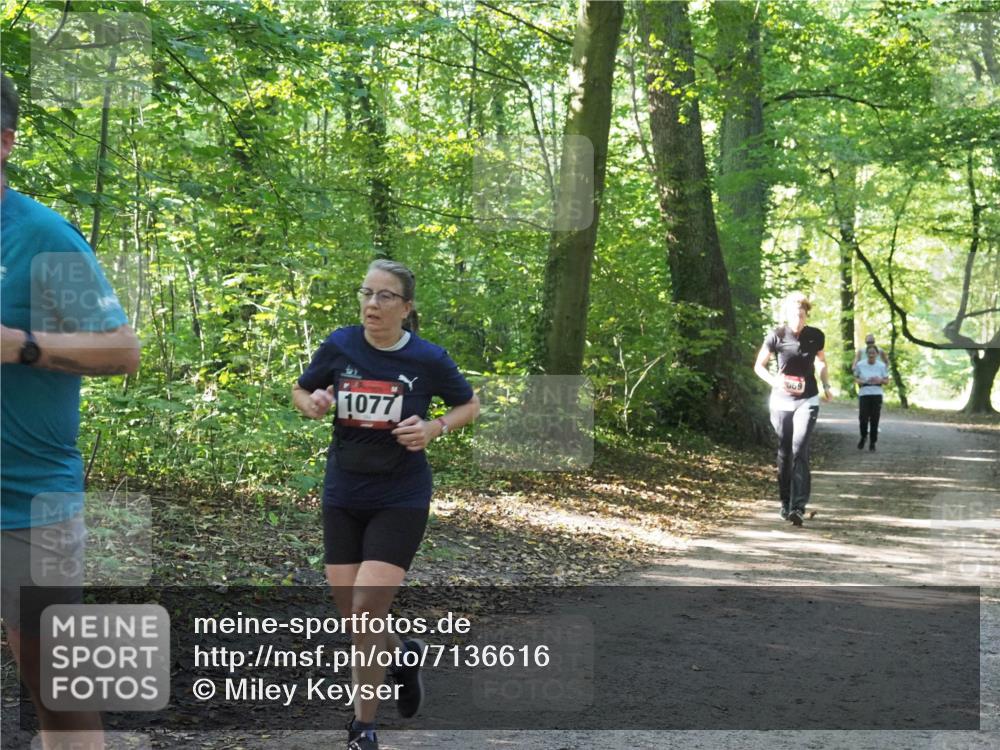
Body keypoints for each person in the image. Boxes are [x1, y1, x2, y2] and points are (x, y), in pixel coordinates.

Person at [1, 72, 140, 750]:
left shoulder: (44, 239)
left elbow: (122, 352)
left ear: (4, 142)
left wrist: (22, 346)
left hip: (30, 500)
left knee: (55, 684)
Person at [292, 259, 479, 750]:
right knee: (354, 619)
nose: (372, 304)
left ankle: (363, 728)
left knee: (366, 610)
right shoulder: (340, 344)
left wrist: (434, 428)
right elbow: (302, 387)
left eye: (385, 296)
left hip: (401, 496)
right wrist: (310, 403)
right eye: (366, 293)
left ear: (407, 307)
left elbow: (469, 405)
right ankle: (403, 657)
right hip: (343, 493)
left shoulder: (428, 358)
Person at [753, 292, 832, 527]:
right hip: (780, 400)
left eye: (801, 314)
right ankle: (785, 502)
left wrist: (826, 384)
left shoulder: (815, 336)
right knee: (785, 452)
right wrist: (774, 381)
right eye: (794, 315)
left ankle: (798, 507)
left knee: (800, 449)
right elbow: (759, 365)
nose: (798, 319)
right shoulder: (776, 335)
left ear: (807, 314)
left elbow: (821, 361)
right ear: (787, 315)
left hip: (807, 399)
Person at [853, 345, 890, 451]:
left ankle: (873, 442)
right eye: (869, 353)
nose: (871, 355)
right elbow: (856, 378)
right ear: (867, 354)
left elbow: (887, 381)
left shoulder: (881, 366)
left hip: (877, 393)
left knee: (875, 419)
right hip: (864, 393)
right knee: (863, 418)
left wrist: (880, 380)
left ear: (877, 354)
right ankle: (863, 436)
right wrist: (864, 381)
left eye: (873, 353)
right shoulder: (860, 365)